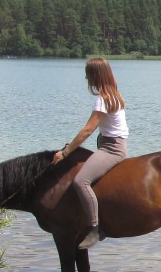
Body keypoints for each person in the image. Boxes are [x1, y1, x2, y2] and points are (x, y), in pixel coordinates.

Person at [53, 57, 129, 249]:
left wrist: (66, 152)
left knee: (80, 181)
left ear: (96, 75)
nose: (86, 79)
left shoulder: (103, 100)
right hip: (113, 144)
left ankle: (96, 229)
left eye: (88, 74)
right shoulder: (114, 95)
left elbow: (88, 130)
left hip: (111, 148)